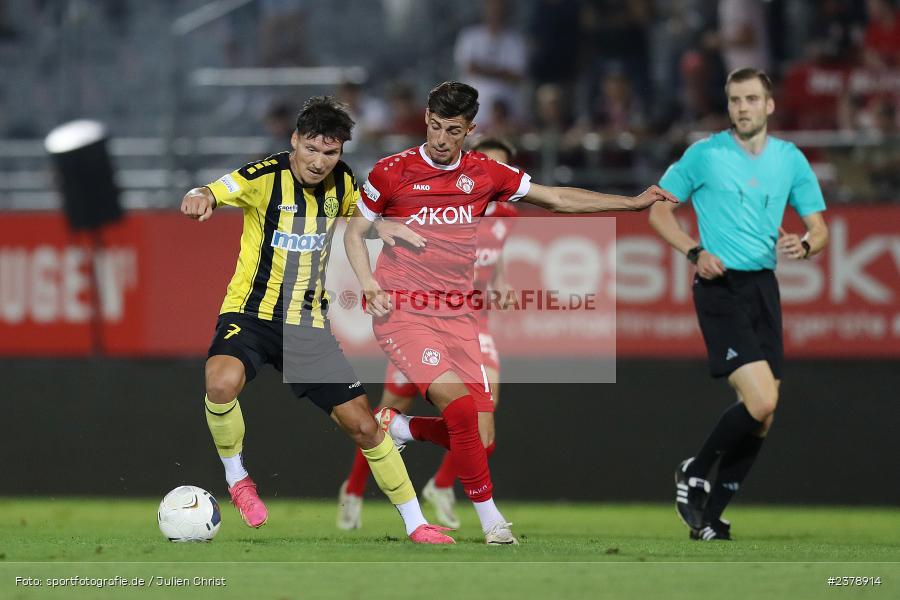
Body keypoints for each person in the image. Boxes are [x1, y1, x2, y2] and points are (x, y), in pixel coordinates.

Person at [344, 81, 676, 545]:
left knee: (477, 433)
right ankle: (493, 523)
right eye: (435, 126)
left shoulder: (485, 173)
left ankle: (399, 425)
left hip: (459, 314)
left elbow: (557, 199)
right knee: (460, 408)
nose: (441, 139)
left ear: (470, 130)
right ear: (426, 120)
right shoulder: (391, 171)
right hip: (404, 309)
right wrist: (368, 282)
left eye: (453, 130)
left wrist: (632, 203)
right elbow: (354, 231)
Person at [178, 96, 453, 544]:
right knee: (220, 384)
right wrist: (198, 197)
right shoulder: (264, 177)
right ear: (294, 141)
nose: (319, 161)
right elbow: (212, 190)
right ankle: (238, 479)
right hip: (251, 314)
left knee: (364, 426)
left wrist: (385, 228)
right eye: (311, 149)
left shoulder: (342, 182)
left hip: (307, 325)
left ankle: (416, 524)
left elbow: (361, 220)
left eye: (330, 152)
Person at [649, 68, 829, 541]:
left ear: (769, 105)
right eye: (734, 100)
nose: (742, 107)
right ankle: (694, 472)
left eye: (751, 99)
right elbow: (658, 210)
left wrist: (805, 245)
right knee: (761, 398)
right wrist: (694, 251)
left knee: (764, 415)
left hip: (763, 288)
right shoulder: (705, 155)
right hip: (720, 286)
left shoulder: (789, 159)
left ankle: (710, 517)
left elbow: (820, 229)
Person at [337, 137, 520, 531]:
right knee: (387, 409)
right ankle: (354, 489)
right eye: (485, 163)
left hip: (471, 322)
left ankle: (439, 484)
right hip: (422, 319)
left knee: (483, 431)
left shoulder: (506, 214)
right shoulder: (440, 205)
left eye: (499, 168)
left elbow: (495, 251)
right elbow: (368, 224)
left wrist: (502, 280)